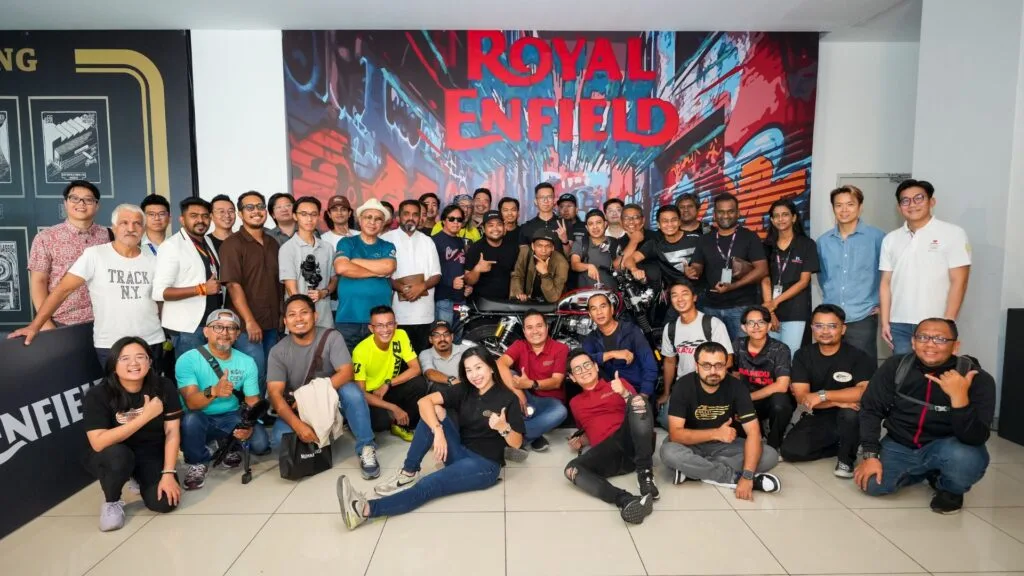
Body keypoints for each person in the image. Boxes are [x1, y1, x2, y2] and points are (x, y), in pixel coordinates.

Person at [338, 346, 525, 529]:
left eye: (478, 367)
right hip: (459, 451)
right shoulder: (466, 389)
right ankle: (408, 472)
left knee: (430, 483)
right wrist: (438, 431)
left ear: (491, 367)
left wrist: (504, 428)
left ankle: (364, 510)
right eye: (469, 370)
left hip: (484, 466)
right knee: (432, 411)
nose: (474, 375)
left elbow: (516, 443)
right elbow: (424, 402)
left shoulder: (508, 398)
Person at [855, 318, 995, 514]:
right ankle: (925, 471)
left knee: (969, 459)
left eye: (940, 339)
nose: (930, 344)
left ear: (955, 346)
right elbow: (871, 409)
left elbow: (976, 438)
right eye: (923, 337)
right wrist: (870, 455)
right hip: (900, 443)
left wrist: (959, 398)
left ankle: (950, 489)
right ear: (913, 342)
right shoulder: (896, 366)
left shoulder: (978, 379)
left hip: (947, 446)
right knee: (872, 485)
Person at [10, 204, 164, 366]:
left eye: (137, 223)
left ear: (143, 229)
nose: (131, 228)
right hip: (110, 342)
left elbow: (161, 298)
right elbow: (63, 290)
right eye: (124, 223)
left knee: (153, 383)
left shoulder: (155, 257)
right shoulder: (95, 255)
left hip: (151, 339)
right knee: (115, 383)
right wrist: (35, 326)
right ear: (114, 227)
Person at [266, 294, 380, 479]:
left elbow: (346, 372)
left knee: (352, 392)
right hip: (300, 408)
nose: (299, 319)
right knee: (279, 440)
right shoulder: (278, 351)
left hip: (331, 401)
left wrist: (310, 396)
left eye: (304, 312)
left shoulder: (331, 337)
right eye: (292, 315)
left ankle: (366, 446)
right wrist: (298, 426)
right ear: (285, 321)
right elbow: (275, 394)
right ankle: (323, 432)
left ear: (315, 316)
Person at [83, 337, 182, 531]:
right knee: (119, 457)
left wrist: (168, 473)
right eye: (125, 358)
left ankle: (138, 476)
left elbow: (172, 431)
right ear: (113, 365)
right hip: (113, 453)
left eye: (140, 357)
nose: (134, 363)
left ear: (149, 361)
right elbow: (98, 443)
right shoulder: (98, 394)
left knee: (164, 503)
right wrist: (145, 417)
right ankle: (112, 502)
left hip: (150, 453)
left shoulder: (164, 386)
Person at [660, 342, 781, 499]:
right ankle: (732, 477)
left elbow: (753, 432)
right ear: (696, 366)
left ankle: (694, 471)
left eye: (719, 365)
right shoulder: (683, 386)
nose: (713, 371)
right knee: (669, 452)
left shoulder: (737, 387)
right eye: (706, 365)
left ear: (726, 366)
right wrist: (716, 433)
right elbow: (676, 435)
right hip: (690, 444)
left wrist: (748, 474)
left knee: (769, 455)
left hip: (725, 445)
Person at [175, 309, 269, 490]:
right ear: (206, 331)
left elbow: (252, 401)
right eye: (218, 327)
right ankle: (197, 462)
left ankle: (224, 443)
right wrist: (214, 391)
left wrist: (249, 426)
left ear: (237, 334)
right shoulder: (188, 360)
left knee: (259, 443)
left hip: (231, 415)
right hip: (199, 417)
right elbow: (191, 402)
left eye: (231, 328)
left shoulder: (247, 362)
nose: (225, 333)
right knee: (191, 420)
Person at [564, 349, 657, 524]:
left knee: (638, 401)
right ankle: (626, 501)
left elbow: (641, 414)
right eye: (577, 369)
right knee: (571, 470)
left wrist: (624, 394)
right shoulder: (575, 403)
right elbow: (590, 429)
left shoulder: (618, 384)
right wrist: (580, 441)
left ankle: (645, 475)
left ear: (596, 367)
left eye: (587, 365)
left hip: (632, 442)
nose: (584, 370)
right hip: (608, 453)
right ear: (572, 377)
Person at [781, 304, 874, 477]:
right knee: (790, 451)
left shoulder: (859, 356)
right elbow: (802, 397)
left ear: (843, 329)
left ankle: (846, 460)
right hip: (821, 413)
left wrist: (823, 395)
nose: (825, 331)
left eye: (832, 326)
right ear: (812, 328)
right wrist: (837, 401)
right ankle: (843, 443)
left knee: (850, 413)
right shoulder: (803, 355)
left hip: (852, 414)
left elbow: (863, 392)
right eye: (819, 326)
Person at [880, 179, 971, 356]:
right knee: (903, 371)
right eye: (905, 200)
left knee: (934, 371)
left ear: (932, 201)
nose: (912, 204)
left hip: (936, 323)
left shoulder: (953, 234)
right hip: (899, 324)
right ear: (899, 207)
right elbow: (885, 282)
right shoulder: (890, 239)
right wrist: (885, 322)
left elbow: (959, 281)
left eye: (918, 198)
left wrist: (948, 322)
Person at [219, 190, 283, 396]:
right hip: (247, 325)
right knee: (254, 372)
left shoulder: (272, 243)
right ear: (240, 214)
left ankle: (263, 410)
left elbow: (278, 284)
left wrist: (281, 316)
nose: (256, 211)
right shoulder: (232, 244)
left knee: (270, 372)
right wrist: (249, 321)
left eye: (260, 206)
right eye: (250, 207)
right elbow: (233, 285)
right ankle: (249, 411)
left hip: (272, 322)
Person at [817, 185, 886, 365]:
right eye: (838, 205)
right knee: (831, 367)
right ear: (833, 208)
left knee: (863, 367)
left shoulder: (877, 238)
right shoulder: (823, 241)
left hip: (862, 316)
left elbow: (888, 275)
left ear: (860, 207)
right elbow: (823, 277)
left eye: (850, 204)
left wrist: (882, 303)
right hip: (830, 317)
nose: (844, 210)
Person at [28, 180, 109, 328]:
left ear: (97, 205)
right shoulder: (46, 238)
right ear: (65, 203)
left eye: (88, 200)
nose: (81, 204)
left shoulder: (109, 235)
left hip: (106, 319)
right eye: (74, 198)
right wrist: (45, 322)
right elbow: (39, 281)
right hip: (63, 321)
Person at [689, 193, 769, 340]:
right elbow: (697, 266)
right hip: (710, 307)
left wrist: (733, 286)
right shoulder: (705, 239)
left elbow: (762, 269)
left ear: (738, 213)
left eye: (730, 211)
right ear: (714, 214)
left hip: (741, 307)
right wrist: (692, 271)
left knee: (742, 350)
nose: (725, 215)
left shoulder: (749, 237)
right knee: (712, 350)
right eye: (721, 212)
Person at [153, 197, 224, 359]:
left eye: (205, 216)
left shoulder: (207, 240)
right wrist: (202, 289)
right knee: (192, 373)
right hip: (188, 328)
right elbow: (159, 292)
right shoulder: (171, 246)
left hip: (211, 324)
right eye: (194, 216)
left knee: (209, 373)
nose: (200, 220)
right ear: (182, 219)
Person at [658, 281, 733, 428]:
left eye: (684, 294)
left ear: (694, 297)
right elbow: (669, 361)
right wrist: (667, 393)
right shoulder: (670, 328)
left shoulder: (713, 324)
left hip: (710, 385)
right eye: (674, 295)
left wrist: (707, 378)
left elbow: (728, 360)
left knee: (708, 422)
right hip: (683, 386)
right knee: (667, 422)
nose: (680, 299)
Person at [351, 305, 430, 441]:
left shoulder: (401, 335)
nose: (386, 330)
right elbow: (361, 393)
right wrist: (393, 407)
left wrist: (388, 384)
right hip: (371, 395)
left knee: (419, 383)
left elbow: (416, 369)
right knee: (380, 423)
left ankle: (402, 425)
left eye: (389, 324)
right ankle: (392, 415)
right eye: (379, 325)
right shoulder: (360, 351)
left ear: (396, 325)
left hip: (389, 388)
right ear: (371, 328)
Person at [496, 310, 569, 452]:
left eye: (539, 326)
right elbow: (500, 364)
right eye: (529, 327)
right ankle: (535, 433)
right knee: (509, 374)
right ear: (524, 331)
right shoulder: (519, 345)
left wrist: (530, 383)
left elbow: (556, 381)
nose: (535, 331)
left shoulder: (560, 348)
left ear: (547, 328)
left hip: (547, 404)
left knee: (560, 412)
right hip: (525, 398)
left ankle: (516, 438)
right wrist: (518, 392)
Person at [334, 198, 398, 351]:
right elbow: (341, 268)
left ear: (383, 224)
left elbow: (388, 266)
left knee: (377, 364)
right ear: (360, 220)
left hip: (380, 322)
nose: (372, 222)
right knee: (347, 364)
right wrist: (377, 273)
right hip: (348, 319)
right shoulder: (346, 242)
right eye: (368, 217)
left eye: (378, 219)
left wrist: (355, 261)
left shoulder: (387, 245)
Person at [761, 199, 819, 357]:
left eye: (785, 215)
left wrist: (775, 302)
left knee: (790, 356)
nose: (781, 219)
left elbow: (804, 281)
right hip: (770, 311)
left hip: (795, 311)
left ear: (794, 217)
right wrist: (770, 311)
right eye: (776, 216)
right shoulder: (766, 246)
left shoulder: (807, 244)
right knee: (771, 357)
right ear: (772, 220)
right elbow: (765, 279)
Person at [731, 306, 793, 451]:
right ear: (744, 327)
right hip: (749, 400)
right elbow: (732, 374)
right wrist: (736, 403)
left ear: (769, 326)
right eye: (751, 323)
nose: (756, 327)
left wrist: (746, 398)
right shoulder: (738, 344)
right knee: (738, 435)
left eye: (761, 322)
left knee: (780, 405)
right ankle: (760, 427)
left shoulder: (780, 349)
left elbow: (782, 385)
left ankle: (774, 443)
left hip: (772, 399)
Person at [383, 200, 442, 352]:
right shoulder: (386, 239)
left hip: (424, 313)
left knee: (422, 357)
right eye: (406, 214)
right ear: (399, 217)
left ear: (420, 217)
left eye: (415, 214)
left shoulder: (427, 241)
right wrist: (402, 288)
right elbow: (381, 274)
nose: (411, 218)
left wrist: (421, 287)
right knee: (399, 358)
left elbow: (436, 275)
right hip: (396, 313)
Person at [582, 293, 658, 398]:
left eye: (603, 306)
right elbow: (584, 362)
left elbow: (649, 364)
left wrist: (644, 395)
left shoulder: (631, 331)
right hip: (611, 394)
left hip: (637, 389)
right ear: (590, 314)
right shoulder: (591, 339)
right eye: (594, 309)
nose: (599, 312)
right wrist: (611, 354)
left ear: (612, 309)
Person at [279, 196, 337, 330]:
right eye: (304, 214)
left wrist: (323, 292)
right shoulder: (287, 248)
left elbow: (334, 280)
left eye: (313, 214)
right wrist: (305, 314)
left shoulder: (327, 247)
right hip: (300, 321)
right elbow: (291, 289)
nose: (309, 219)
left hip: (324, 318)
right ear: (295, 216)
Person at [627, 205, 702, 289]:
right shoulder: (655, 244)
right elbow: (630, 259)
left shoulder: (697, 239)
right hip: (674, 293)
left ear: (680, 222)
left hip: (700, 290)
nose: (669, 224)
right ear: (658, 224)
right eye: (665, 221)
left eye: (673, 220)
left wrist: (694, 270)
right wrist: (634, 269)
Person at [464, 208, 519, 301]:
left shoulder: (513, 247)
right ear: (483, 229)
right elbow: (468, 281)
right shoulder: (475, 248)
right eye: (491, 225)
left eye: (499, 224)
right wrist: (477, 269)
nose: (495, 228)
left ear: (504, 227)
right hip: (480, 303)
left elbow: (518, 276)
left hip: (507, 303)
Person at [432, 205, 470, 325]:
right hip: (444, 298)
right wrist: (450, 281)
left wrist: (468, 285)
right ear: (444, 221)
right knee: (443, 333)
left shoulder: (461, 242)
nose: (456, 222)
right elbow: (429, 271)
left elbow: (462, 267)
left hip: (461, 298)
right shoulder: (434, 241)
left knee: (459, 333)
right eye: (452, 219)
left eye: (459, 219)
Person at [510, 228, 569, 303]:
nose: (543, 250)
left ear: (552, 248)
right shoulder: (525, 252)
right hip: (527, 300)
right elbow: (517, 275)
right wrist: (519, 293)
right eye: (539, 246)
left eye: (547, 246)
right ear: (533, 246)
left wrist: (545, 274)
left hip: (551, 305)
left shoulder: (561, 263)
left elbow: (553, 298)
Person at [571, 209, 619, 289]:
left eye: (598, 222)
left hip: (611, 293)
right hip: (587, 294)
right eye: (590, 224)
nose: (595, 227)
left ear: (605, 224)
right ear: (587, 227)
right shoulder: (581, 243)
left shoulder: (614, 242)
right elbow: (574, 265)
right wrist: (588, 266)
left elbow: (621, 266)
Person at [419, 319, 473, 388]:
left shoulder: (464, 349)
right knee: (437, 386)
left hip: (466, 389)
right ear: (430, 339)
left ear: (452, 337)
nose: (442, 339)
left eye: (446, 334)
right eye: (436, 335)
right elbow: (429, 372)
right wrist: (452, 380)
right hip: (440, 392)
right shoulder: (425, 354)